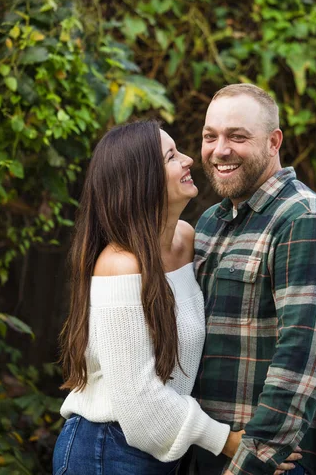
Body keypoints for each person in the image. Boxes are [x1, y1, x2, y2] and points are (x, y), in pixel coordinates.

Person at [53, 121, 246, 475]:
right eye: (171, 156)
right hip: (105, 450)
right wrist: (229, 441)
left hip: (162, 454)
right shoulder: (120, 264)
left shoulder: (187, 240)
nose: (188, 159)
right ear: (142, 181)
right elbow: (140, 403)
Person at [185, 84, 316, 475]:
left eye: (237, 136)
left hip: (275, 465)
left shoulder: (306, 220)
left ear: (274, 141)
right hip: (208, 454)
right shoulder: (212, 221)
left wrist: (253, 460)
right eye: (210, 136)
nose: (219, 149)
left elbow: (302, 359)